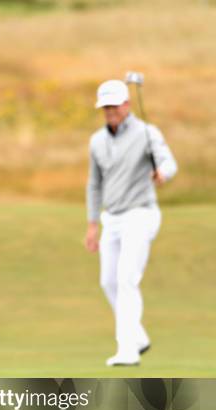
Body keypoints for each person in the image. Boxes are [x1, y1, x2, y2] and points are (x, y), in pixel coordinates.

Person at [85, 79, 178, 366]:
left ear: (127, 104)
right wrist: (92, 223)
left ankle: (127, 350)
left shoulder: (147, 133)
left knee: (126, 279)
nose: (110, 110)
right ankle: (138, 336)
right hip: (111, 217)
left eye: (115, 105)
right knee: (108, 281)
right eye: (106, 106)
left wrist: (162, 174)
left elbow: (169, 162)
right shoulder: (97, 141)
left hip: (141, 213)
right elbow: (94, 184)